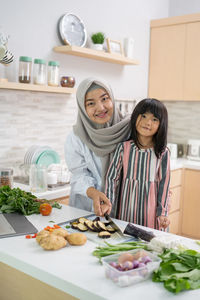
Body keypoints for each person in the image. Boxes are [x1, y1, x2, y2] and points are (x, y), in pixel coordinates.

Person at [64, 77, 130, 216]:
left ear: (112, 98)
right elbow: (79, 175)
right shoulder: (76, 138)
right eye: (91, 103)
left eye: (105, 99)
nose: (100, 108)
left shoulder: (129, 130)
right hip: (87, 210)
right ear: (83, 108)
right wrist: (93, 193)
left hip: (125, 209)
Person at [105, 98, 170, 230]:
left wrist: (163, 213)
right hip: (125, 212)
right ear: (135, 117)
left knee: (149, 246)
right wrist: (108, 203)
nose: (147, 122)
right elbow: (112, 178)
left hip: (151, 215)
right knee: (126, 245)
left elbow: (165, 185)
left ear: (161, 124)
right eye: (144, 116)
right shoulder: (123, 148)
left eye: (154, 119)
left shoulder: (162, 153)